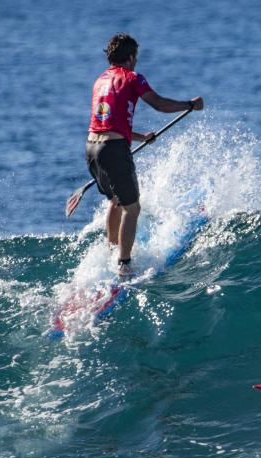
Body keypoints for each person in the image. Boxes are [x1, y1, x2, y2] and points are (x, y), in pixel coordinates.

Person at [86, 33, 204, 278]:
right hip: (113, 150)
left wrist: (141, 137)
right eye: (136, 57)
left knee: (116, 201)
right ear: (130, 58)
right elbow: (159, 105)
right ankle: (124, 265)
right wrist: (189, 105)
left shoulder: (100, 81)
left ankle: (111, 251)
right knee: (132, 208)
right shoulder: (132, 78)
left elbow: (108, 123)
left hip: (91, 149)